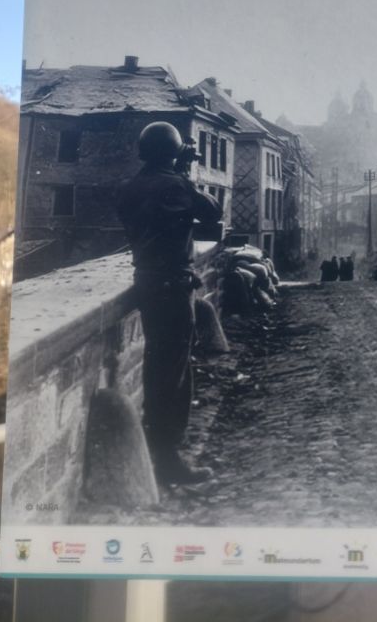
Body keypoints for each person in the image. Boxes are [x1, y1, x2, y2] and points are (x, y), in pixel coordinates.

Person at [117, 121, 220, 485]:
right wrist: (183, 172)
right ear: (173, 153)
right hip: (173, 288)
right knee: (173, 374)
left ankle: (159, 454)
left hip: (147, 283)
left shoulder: (130, 187)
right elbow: (213, 211)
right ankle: (168, 459)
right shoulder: (175, 185)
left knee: (157, 366)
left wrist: (176, 169)